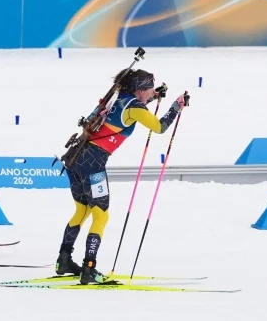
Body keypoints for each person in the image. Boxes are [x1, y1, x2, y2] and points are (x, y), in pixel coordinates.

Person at [57, 68, 185, 284]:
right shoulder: (134, 107)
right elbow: (159, 127)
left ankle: (64, 260)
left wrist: (155, 96)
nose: (152, 92)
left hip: (75, 157)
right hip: (93, 163)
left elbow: (135, 107)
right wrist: (176, 107)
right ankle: (89, 268)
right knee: (101, 216)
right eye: (150, 89)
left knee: (82, 210)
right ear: (140, 89)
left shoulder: (118, 97)